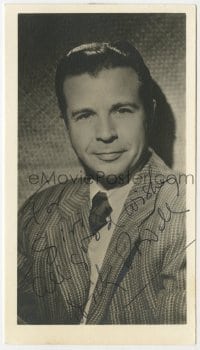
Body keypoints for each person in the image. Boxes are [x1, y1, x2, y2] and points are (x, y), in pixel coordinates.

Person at [18, 41, 186, 324]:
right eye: (84, 115)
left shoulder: (185, 209)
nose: (105, 133)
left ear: (150, 113)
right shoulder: (39, 211)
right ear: (67, 124)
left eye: (122, 110)